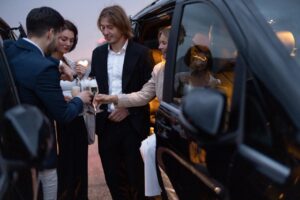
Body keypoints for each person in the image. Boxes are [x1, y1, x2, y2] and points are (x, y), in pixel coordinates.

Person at [3, 7, 91, 200]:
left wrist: (59, 67)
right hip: (38, 150)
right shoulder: (44, 68)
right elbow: (64, 115)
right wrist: (79, 99)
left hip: (9, 145)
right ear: (51, 33)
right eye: (61, 35)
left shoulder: (9, 49)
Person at [95, 26, 171, 199]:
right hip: (166, 127)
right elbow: (143, 95)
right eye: (159, 42)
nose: (159, 47)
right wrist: (112, 99)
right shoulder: (159, 69)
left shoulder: (187, 65)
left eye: (164, 43)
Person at [89, 5, 153, 200]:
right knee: (113, 179)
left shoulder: (142, 53)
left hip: (132, 126)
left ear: (122, 25)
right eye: (102, 28)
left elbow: (150, 92)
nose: (105, 32)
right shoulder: (98, 54)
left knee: (138, 178)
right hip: (106, 125)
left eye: (110, 27)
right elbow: (93, 83)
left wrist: (128, 110)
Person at [51, 19, 89, 200]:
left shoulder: (70, 62)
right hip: (59, 121)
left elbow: (81, 89)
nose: (68, 43)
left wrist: (82, 77)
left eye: (71, 40)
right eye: (63, 39)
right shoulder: (46, 61)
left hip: (76, 118)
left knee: (80, 168)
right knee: (64, 171)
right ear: (52, 36)